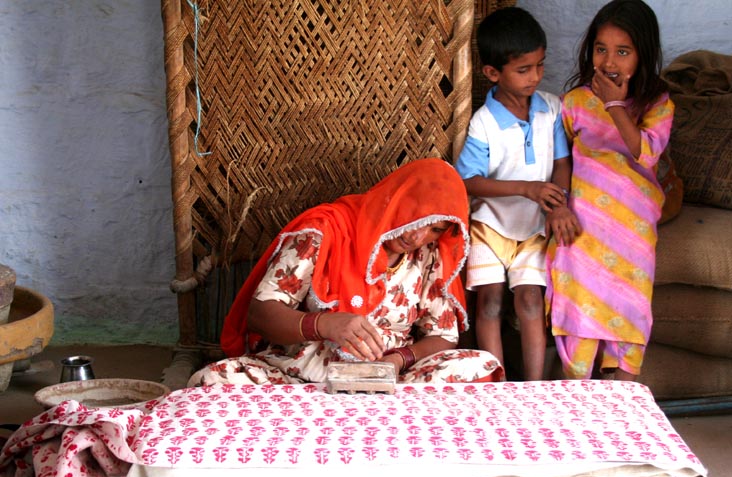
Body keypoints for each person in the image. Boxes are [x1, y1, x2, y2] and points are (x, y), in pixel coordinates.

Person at [189, 158, 505, 387]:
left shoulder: (428, 256)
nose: (417, 237)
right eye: (414, 218)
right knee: (214, 380)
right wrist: (323, 324)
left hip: (392, 382)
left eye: (434, 229)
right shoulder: (324, 233)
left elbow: (443, 335)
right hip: (302, 379)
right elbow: (259, 314)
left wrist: (399, 360)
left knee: (480, 366)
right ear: (395, 199)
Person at [545, 0, 674, 381]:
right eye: (601, 49)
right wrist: (559, 206)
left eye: (623, 51)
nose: (610, 62)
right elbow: (561, 161)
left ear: (643, 54)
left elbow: (646, 152)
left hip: (631, 232)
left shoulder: (657, 103)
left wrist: (615, 104)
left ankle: (622, 400)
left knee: (629, 308)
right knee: (579, 308)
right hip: (582, 228)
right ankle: (576, 399)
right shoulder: (575, 103)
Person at [455, 7, 579, 381]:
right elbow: (468, 181)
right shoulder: (484, 123)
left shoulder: (551, 109)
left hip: (532, 230)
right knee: (490, 301)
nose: (535, 77)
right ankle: (497, 385)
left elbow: (561, 162)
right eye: (523, 70)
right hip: (489, 228)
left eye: (540, 66)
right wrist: (526, 189)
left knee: (529, 301)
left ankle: (534, 387)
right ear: (493, 73)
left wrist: (559, 203)